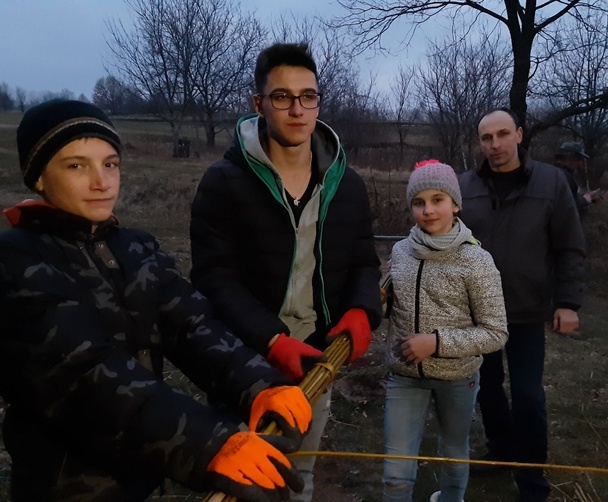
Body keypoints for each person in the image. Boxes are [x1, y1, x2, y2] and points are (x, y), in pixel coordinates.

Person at [0, 99, 313, 502]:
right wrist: (209, 444)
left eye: (110, 163)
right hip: (67, 487)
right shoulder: (15, 261)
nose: (102, 181)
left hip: (144, 472)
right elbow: (83, 372)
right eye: (76, 165)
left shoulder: (135, 248)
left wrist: (259, 384)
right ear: (39, 176)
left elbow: (192, 326)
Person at [190, 42, 382, 501]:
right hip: (246, 361)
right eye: (282, 97)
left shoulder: (347, 184)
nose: (297, 109)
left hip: (317, 360)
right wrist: (272, 340)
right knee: (244, 483)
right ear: (259, 104)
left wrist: (361, 309)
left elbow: (363, 260)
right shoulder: (224, 184)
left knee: (300, 478)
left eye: (308, 96)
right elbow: (215, 280)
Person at [458, 109, 586, 502]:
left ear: (519, 135)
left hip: (529, 309)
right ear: (479, 143)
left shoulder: (551, 182)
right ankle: (501, 453)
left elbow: (569, 245)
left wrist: (567, 302)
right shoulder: (465, 186)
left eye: (502, 135)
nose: (494, 145)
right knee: (487, 389)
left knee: (529, 396)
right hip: (478, 312)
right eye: (486, 138)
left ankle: (532, 481)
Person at [381, 160, 508, 502]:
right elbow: (389, 308)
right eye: (419, 202)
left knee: (453, 453)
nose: (428, 210)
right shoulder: (401, 251)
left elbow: (496, 332)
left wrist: (436, 343)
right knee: (395, 472)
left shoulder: (476, 261)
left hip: (457, 377)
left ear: (456, 204)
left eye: (438, 199)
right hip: (403, 373)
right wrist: (378, 292)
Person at [554, 141, 603, 217]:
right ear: (569, 158)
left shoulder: (553, 172)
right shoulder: (564, 177)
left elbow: (566, 198)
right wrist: (585, 199)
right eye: (578, 159)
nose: (579, 163)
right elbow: (567, 206)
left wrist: (588, 196)